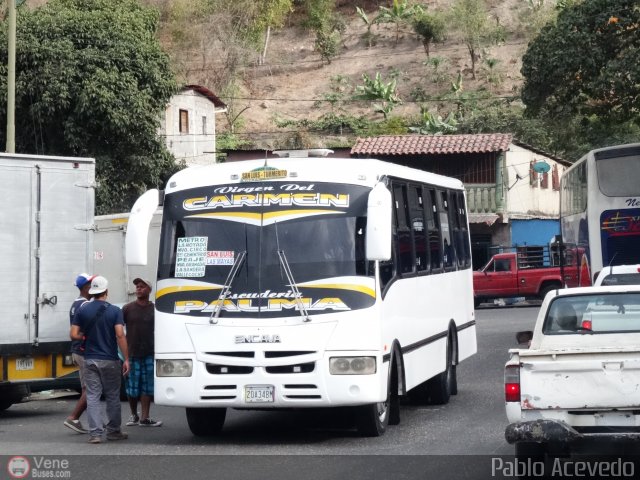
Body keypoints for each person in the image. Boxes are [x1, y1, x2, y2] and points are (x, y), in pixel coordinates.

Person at [70, 276, 130, 444]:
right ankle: (113, 432)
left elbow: (73, 334)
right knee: (112, 396)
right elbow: (120, 335)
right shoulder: (114, 311)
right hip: (110, 360)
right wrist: (126, 358)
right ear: (106, 292)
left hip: (90, 359)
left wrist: (83, 335)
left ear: (92, 292)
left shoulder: (83, 310)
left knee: (93, 396)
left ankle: (95, 434)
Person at [124, 278, 162, 427]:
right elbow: (118, 330)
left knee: (147, 386)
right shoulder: (127, 308)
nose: (138, 289)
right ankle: (134, 415)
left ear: (149, 290)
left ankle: (145, 418)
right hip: (131, 353)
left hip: (149, 353)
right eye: (137, 287)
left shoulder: (155, 309)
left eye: (142, 286)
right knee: (132, 388)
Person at [63, 273, 95, 434]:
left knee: (86, 387)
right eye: (91, 283)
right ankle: (73, 417)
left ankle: (89, 420)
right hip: (83, 350)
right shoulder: (84, 305)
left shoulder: (76, 304)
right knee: (91, 388)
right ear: (86, 287)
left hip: (77, 350)